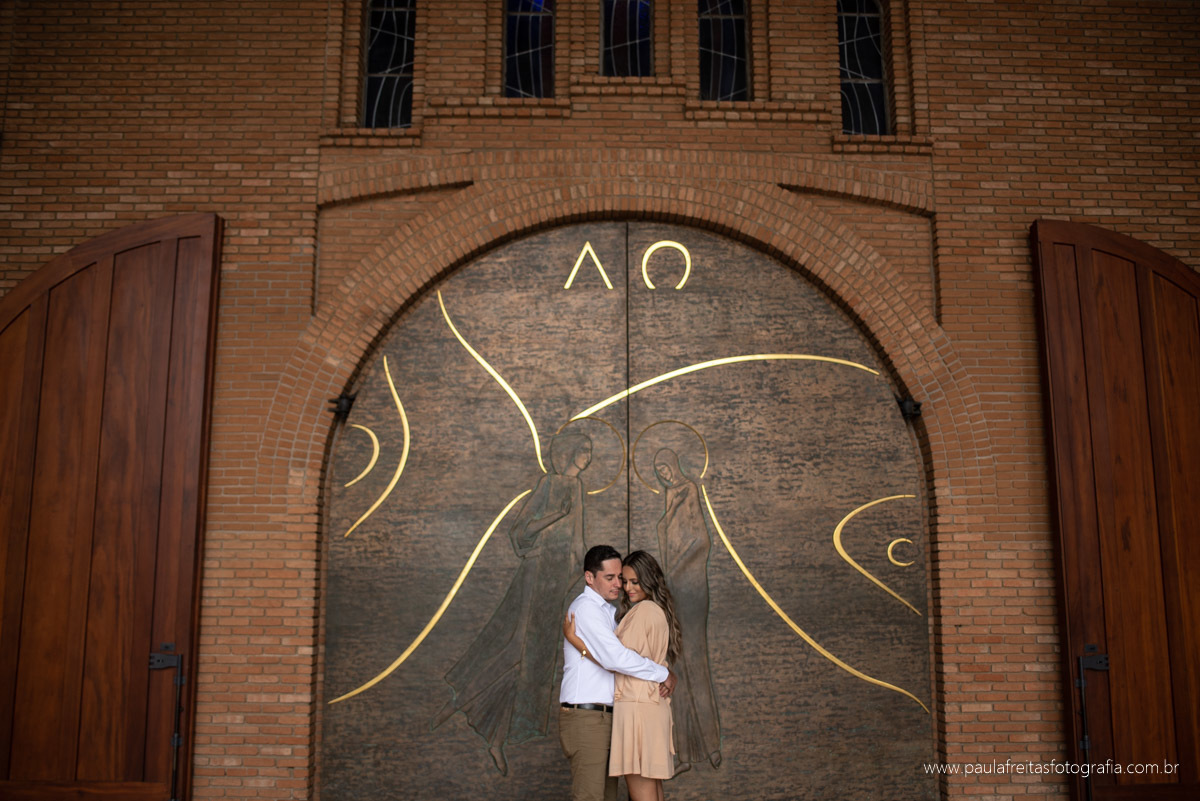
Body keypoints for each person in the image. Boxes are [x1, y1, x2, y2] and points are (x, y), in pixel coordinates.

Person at [433, 432, 595, 774]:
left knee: (532, 664)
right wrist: (554, 517)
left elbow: (578, 539)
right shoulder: (549, 484)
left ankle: (496, 737)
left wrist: (581, 574)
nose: (587, 456)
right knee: (518, 647)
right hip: (536, 574)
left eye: (590, 451)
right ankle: (458, 702)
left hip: (558, 581)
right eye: (582, 449)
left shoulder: (577, 489)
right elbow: (520, 533)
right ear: (566, 451)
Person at [560, 546, 677, 801]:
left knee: (608, 796)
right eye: (611, 578)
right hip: (587, 715)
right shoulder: (586, 609)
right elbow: (615, 658)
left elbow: (620, 657)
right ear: (590, 578)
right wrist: (661, 673)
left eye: (621, 579)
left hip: (613, 715)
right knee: (592, 796)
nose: (620, 585)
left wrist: (666, 673)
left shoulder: (615, 613)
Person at [653, 448, 722, 770]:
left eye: (665, 467)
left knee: (694, 659)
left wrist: (675, 569)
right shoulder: (669, 496)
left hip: (690, 589)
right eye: (658, 470)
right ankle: (683, 752)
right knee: (675, 663)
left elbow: (701, 540)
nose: (664, 474)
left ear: (675, 464)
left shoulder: (688, 490)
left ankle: (710, 745)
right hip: (673, 592)